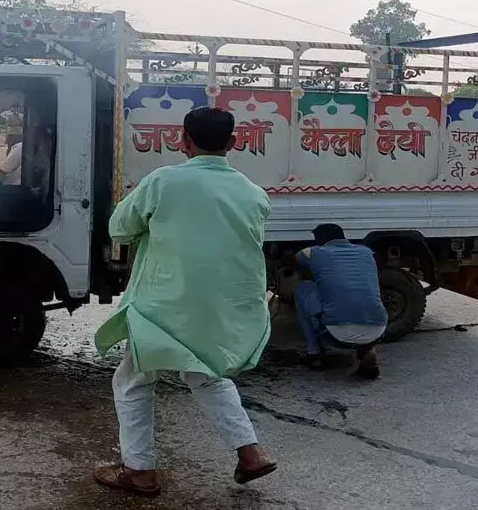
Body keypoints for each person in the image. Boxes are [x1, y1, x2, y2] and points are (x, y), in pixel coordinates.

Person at [93, 107, 276, 497]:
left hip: (164, 306)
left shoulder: (164, 180)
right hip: (219, 305)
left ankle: (140, 471)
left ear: (183, 140)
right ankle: (250, 452)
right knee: (207, 373)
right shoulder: (254, 193)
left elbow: (120, 229)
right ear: (233, 143)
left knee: (133, 381)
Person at [294, 223, 387, 380]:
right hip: (379, 328)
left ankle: (314, 354)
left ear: (320, 239)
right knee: (363, 294)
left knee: (304, 288)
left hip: (335, 332)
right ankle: (368, 350)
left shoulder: (314, 252)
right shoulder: (366, 252)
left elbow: (297, 258)